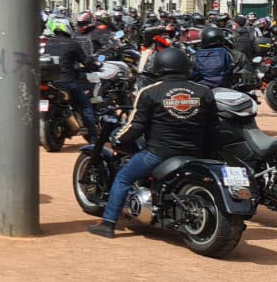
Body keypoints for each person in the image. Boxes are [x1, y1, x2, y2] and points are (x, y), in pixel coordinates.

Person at [88, 48, 219, 238]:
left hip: (158, 153)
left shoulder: (150, 91)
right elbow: (213, 128)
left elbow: (136, 126)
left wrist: (118, 138)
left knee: (123, 177)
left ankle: (108, 224)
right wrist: (209, 153)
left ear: (159, 67)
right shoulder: (203, 91)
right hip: (193, 152)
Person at [44, 17, 98, 140]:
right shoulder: (73, 44)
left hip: (51, 83)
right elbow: (85, 61)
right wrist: (95, 66)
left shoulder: (48, 43)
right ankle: (93, 136)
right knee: (86, 106)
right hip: (67, 81)